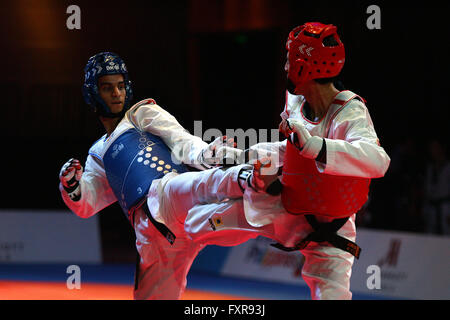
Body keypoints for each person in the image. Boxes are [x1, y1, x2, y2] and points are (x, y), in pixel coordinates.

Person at [183, 22, 391, 300]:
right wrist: (240, 156)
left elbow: (379, 161)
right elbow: (288, 149)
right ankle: (165, 232)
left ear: (304, 67)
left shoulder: (349, 112)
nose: (284, 67)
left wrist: (315, 146)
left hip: (333, 229)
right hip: (286, 208)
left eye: (289, 60)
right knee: (195, 223)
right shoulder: (294, 102)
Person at [58, 52, 246, 299]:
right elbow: (87, 203)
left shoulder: (141, 114)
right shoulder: (98, 154)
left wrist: (206, 153)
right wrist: (71, 186)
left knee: (210, 190)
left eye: (121, 85)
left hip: (170, 194)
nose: (117, 93)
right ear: (92, 93)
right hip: (152, 236)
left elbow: (183, 141)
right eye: (107, 88)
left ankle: (254, 176)